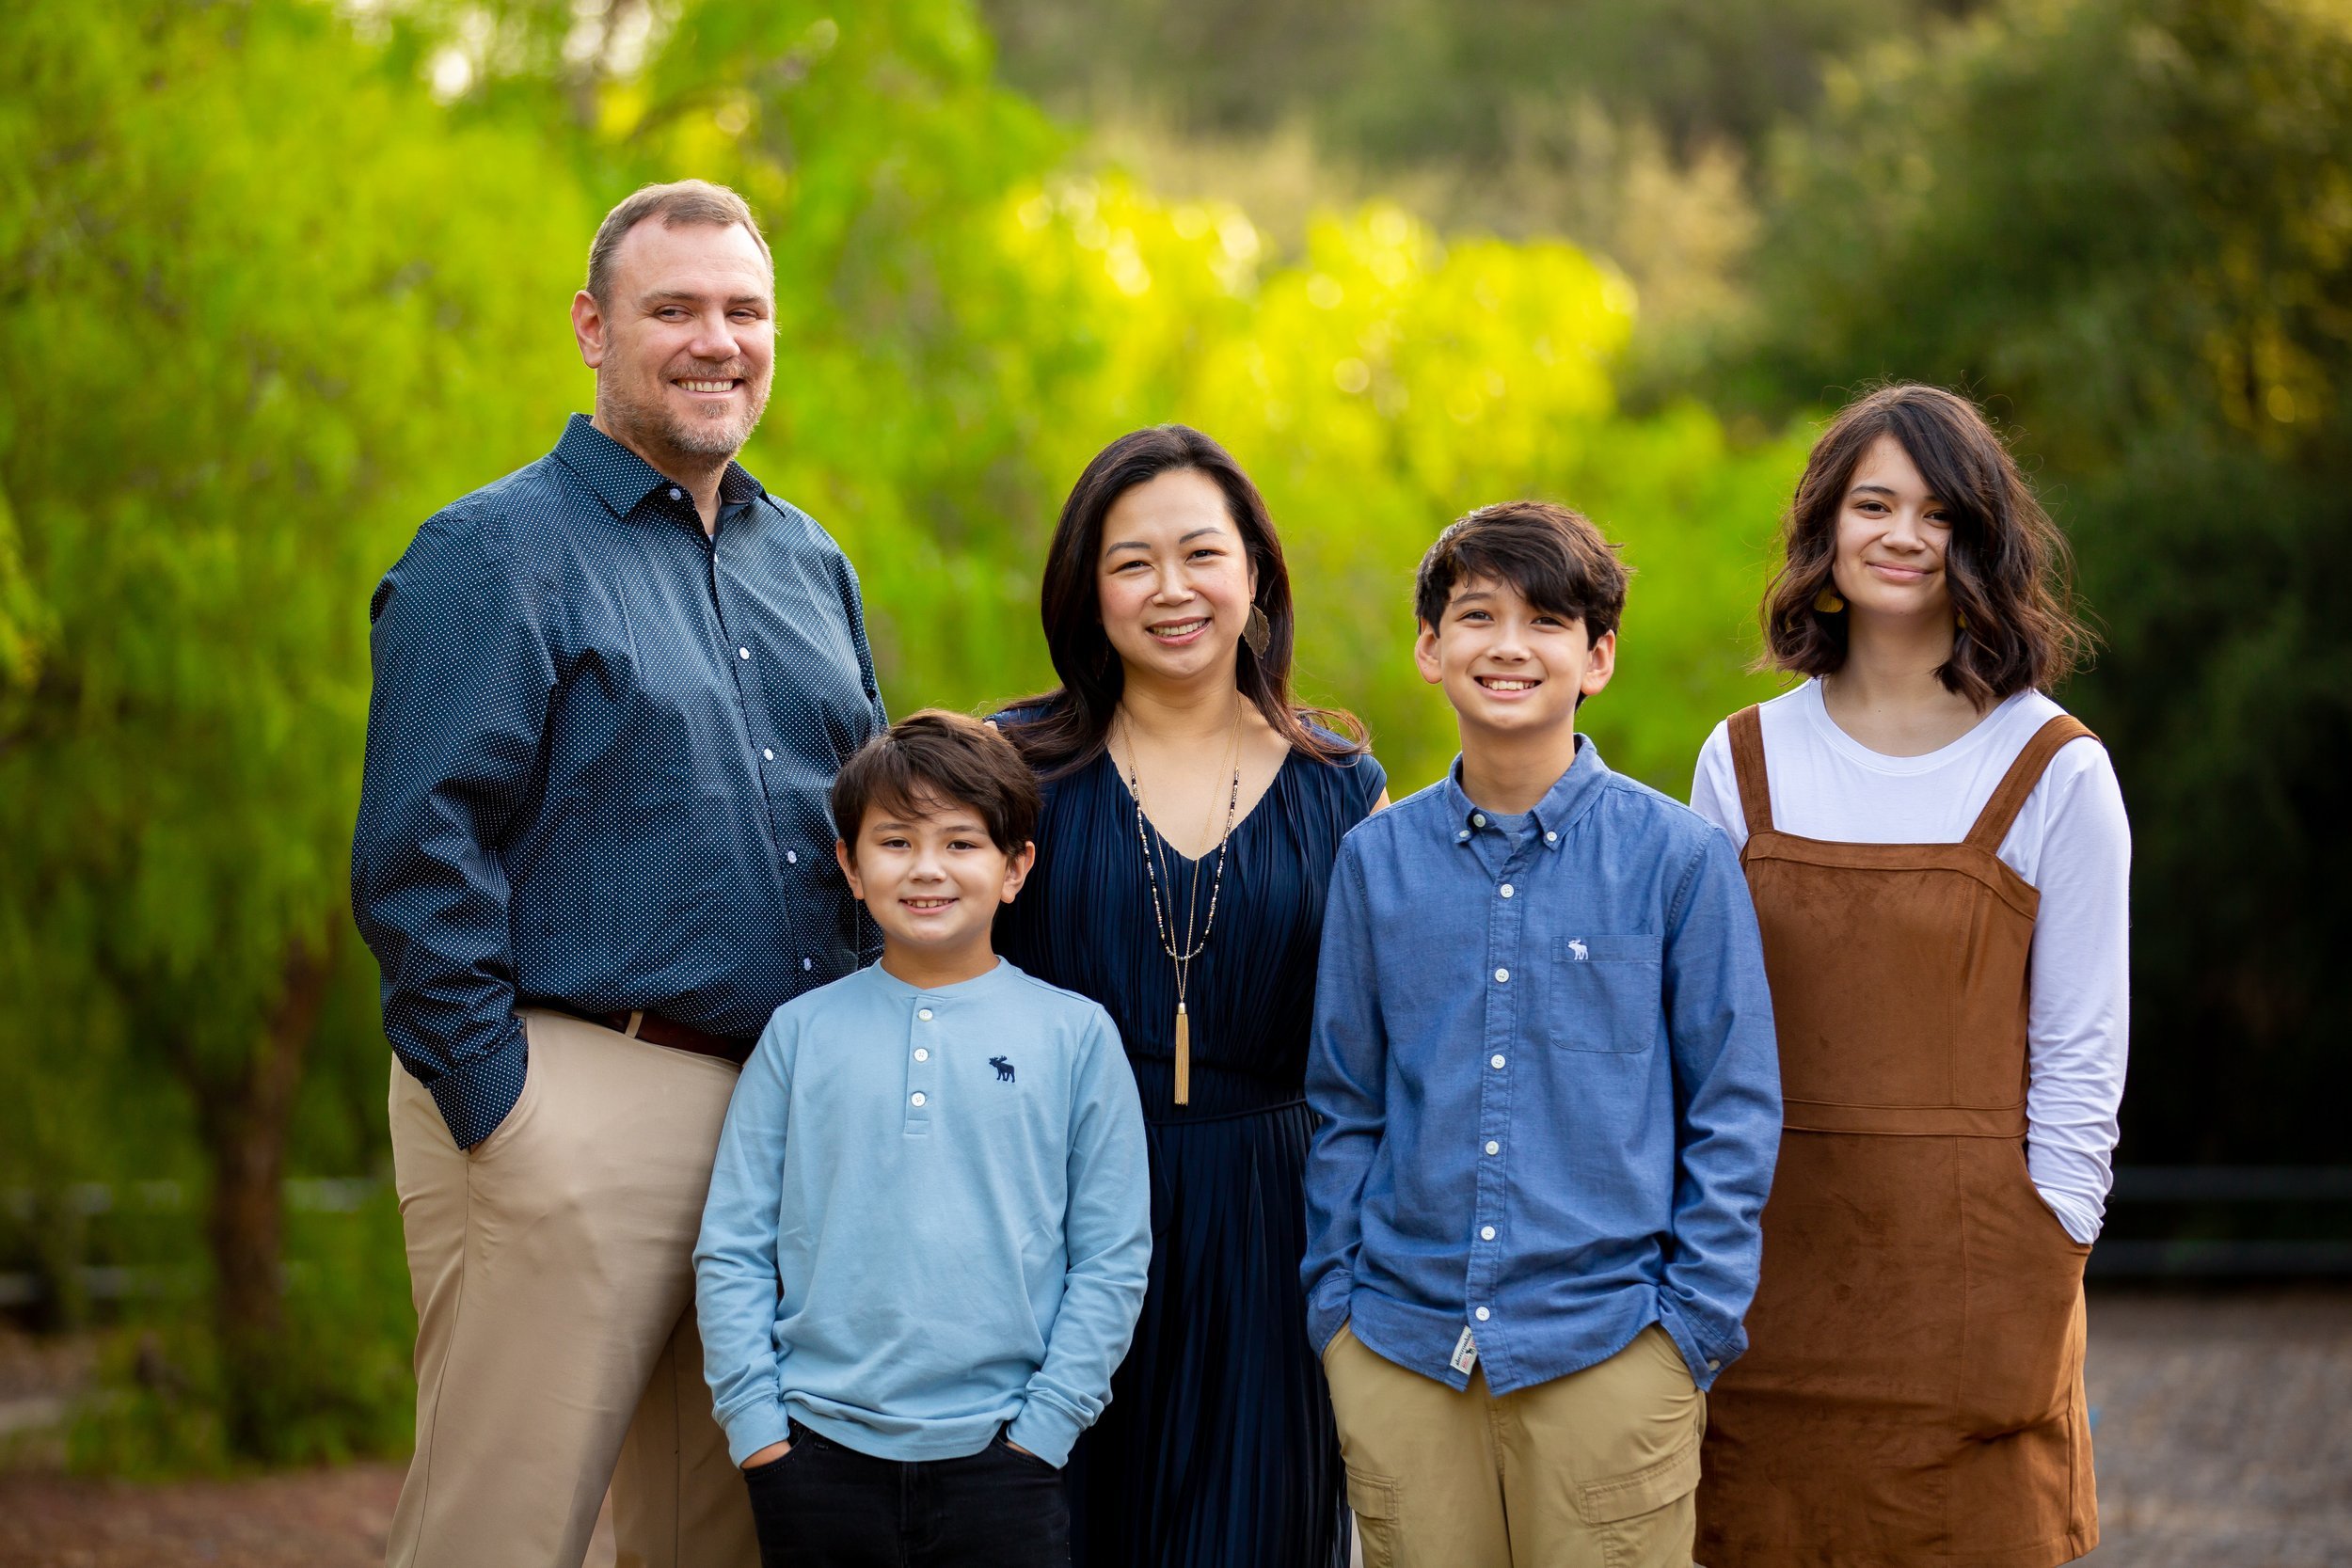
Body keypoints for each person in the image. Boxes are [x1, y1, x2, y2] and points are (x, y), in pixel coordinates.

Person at [350, 180, 887, 1568]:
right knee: (498, 1531)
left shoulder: (809, 560)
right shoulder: (492, 551)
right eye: (675, 309)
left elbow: (872, 826)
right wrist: (504, 1108)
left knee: (721, 1535)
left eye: (745, 310)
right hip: (568, 1094)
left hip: (781, 1119)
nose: (718, 340)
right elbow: (418, 851)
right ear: (594, 327)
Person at [1688, 383, 2128, 1567]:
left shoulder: (2056, 767)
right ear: (1825, 529)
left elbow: (2083, 1062)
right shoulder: (1741, 759)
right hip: (1771, 1281)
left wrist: (2048, 1253)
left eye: (1936, 512)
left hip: (1981, 1286)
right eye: (1871, 502)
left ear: (1977, 538)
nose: (1900, 533)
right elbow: (1707, 1039)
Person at [1302, 499, 1782, 1568]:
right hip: (1403, 1352)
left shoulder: (1680, 860)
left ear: (1596, 655)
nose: (1509, 646)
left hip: (1610, 1351)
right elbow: (1345, 1102)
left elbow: (1734, 1106)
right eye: (1476, 615)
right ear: (1430, 648)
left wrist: (1687, 1329)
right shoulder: (1373, 862)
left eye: (1547, 622)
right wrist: (1337, 1316)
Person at [990, 425, 1388, 1568]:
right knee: (1055, 1527)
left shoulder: (1339, 784)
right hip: (1051, 1211)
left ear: (1254, 572)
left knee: (1253, 1529)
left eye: (1200, 554)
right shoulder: (1013, 766)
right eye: (1131, 561)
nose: (1172, 589)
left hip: (1273, 1219)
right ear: (1086, 588)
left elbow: (1372, 1039)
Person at [695, 710, 1151, 1568]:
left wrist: (1046, 1427)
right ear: (850, 866)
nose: (928, 868)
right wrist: (760, 1432)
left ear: (1016, 868)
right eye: (896, 842)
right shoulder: (797, 1035)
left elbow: (1111, 1256)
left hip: (1005, 1459)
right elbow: (734, 1246)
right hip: (815, 1455)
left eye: (961, 843)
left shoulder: (1076, 1036)